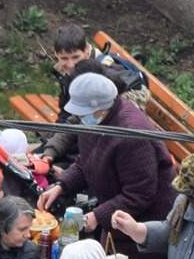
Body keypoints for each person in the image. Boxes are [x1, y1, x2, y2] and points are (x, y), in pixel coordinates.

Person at [38, 71, 175, 259]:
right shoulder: (93, 123)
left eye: (85, 113)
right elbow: (86, 162)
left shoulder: (130, 134)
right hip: (115, 217)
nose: (81, 119)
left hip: (143, 228)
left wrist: (97, 216)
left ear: (102, 107)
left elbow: (140, 193)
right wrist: (62, 185)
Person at [39, 25, 147, 175]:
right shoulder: (71, 73)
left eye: (75, 57)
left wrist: (68, 172)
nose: (70, 64)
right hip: (88, 133)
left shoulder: (99, 80)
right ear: (56, 55)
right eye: (64, 58)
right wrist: (48, 150)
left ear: (87, 50)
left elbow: (98, 139)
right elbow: (70, 117)